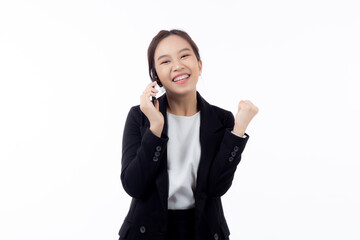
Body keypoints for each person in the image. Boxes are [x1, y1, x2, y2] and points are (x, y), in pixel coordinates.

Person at [118, 29, 258, 240]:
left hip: (203, 229)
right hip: (147, 231)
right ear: (156, 77)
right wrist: (155, 128)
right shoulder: (140, 117)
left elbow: (216, 187)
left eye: (184, 56)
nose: (177, 66)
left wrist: (238, 132)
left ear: (199, 65)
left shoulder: (221, 120)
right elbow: (134, 186)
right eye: (165, 61)